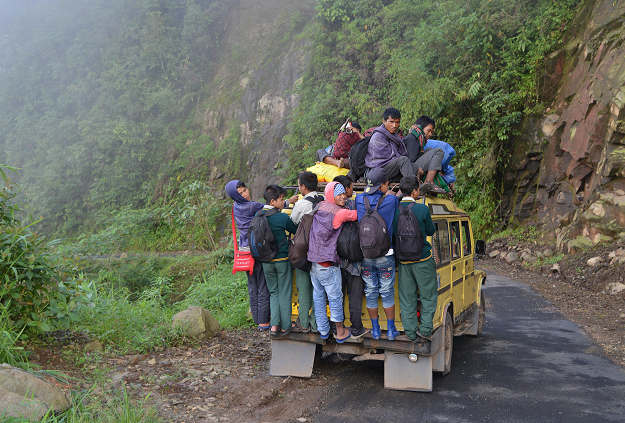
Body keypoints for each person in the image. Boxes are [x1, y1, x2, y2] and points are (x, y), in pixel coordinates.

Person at [307, 181, 358, 342]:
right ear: (332, 195)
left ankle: (322, 330)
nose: (343, 197)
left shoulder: (320, 206)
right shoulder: (340, 213)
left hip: (314, 262)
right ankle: (340, 332)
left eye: (344, 193)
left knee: (319, 297)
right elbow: (360, 215)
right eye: (339, 194)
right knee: (335, 297)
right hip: (328, 264)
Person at [355, 168, 400, 340]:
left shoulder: (360, 199)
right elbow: (393, 199)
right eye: (387, 184)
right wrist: (388, 193)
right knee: (387, 292)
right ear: (382, 185)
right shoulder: (390, 200)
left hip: (366, 254)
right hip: (385, 255)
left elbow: (364, 197)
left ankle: (375, 330)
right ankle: (390, 330)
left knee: (371, 291)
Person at [392, 176, 437, 342]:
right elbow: (431, 231)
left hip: (403, 262)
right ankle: (425, 331)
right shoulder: (422, 209)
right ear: (414, 191)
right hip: (423, 260)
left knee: (407, 299)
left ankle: (411, 333)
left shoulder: (394, 210)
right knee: (428, 297)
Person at [225, 180, 270, 330]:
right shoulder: (251, 206)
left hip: (244, 251)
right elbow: (273, 207)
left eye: (245, 190)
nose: (246, 194)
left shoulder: (236, 206)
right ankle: (264, 322)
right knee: (262, 284)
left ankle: (257, 319)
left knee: (253, 286)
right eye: (241, 193)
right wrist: (289, 201)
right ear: (235, 195)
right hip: (255, 250)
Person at [258, 185, 299, 337]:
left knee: (273, 292)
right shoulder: (281, 217)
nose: (283, 202)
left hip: (266, 262)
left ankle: (274, 326)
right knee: (284, 292)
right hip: (282, 260)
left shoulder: (258, 215)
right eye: (281, 200)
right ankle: (286, 325)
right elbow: (297, 230)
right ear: (273, 201)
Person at [333, 175, 368, 338]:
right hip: (355, 259)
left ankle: (336, 327)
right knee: (355, 295)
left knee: (336, 295)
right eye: (351, 187)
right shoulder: (356, 203)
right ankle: (356, 328)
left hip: (337, 259)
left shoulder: (331, 206)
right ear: (346, 189)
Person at [290, 171, 322, 333]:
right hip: (321, 252)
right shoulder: (324, 201)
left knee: (303, 289)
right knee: (318, 289)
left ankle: (303, 322)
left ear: (303, 187)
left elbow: (294, 221)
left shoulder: (301, 205)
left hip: (303, 252)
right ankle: (316, 322)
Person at [402, 115, 446, 194]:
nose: (430, 134)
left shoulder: (419, 139)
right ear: (421, 128)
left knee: (429, 150)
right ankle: (429, 181)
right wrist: (422, 154)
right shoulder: (413, 139)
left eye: (432, 132)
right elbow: (411, 159)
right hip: (411, 168)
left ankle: (429, 179)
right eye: (428, 131)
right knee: (438, 151)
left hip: (413, 165)